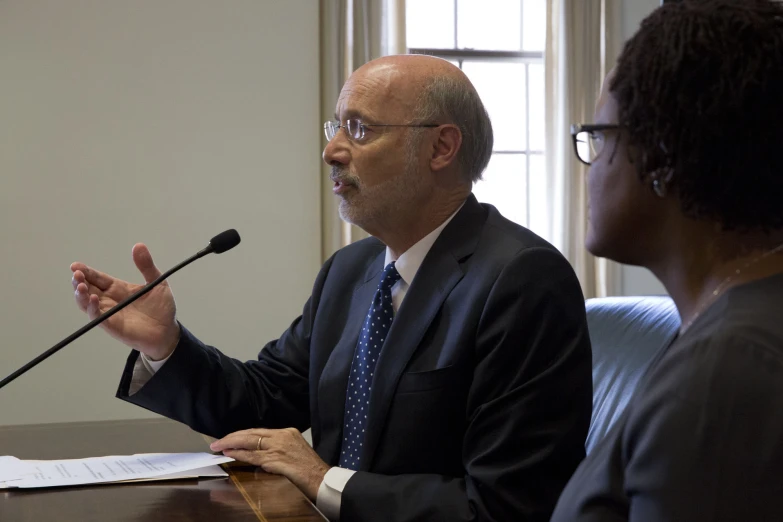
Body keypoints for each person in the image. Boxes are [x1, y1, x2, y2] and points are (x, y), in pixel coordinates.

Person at [71, 55, 592, 522]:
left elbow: (506, 506)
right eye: (336, 126)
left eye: (360, 130)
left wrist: (325, 482)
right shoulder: (350, 271)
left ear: (441, 147)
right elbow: (265, 402)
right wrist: (165, 345)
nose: (331, 151)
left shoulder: (522, 279)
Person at [553, 1, 783, 520]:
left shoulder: (727, 374)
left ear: (657, 156)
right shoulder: (728, 321)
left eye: (597, 135)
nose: (586, 169)